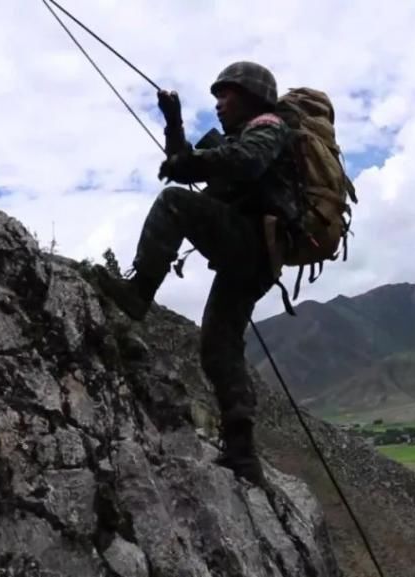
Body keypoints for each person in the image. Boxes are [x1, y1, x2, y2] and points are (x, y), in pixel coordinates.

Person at [97, 61, 300, 485]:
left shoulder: (269, 126)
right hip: (255, 257)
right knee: (218, 346)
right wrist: (174, 123)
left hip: (249, 245)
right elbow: (184, 161)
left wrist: (192, 161)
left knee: (174, 203)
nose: (220, 104)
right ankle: (243, 456)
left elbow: (241, 163)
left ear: (251, 97)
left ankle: (138, 293)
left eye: (226, 95)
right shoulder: (243, 136)